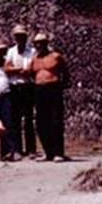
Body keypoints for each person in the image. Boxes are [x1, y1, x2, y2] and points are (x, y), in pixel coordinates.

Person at [30, 32, 68, 162]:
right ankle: (48, 152)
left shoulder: (56, 56)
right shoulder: (35, 59)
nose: (39, 45)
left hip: (54, 88)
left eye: (41, 43)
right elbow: (31, 74)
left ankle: (58, 152)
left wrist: (61, 85)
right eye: (36, 43)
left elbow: (65, 71)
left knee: (56, 120)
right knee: (41, 122)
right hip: (40, 89)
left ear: (46, 43)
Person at [4, 23, 37, 159]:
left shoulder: (32, 51)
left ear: (26, 37)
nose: (20, 38)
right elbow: (7, 69)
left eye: (22, 36)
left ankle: (31, 150)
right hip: (15, 87)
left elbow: (32, 68)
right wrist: (20, 70)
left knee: (29, 118)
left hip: (28, 86)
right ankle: (17, 149)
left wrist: (17, 70)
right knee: (15, 119)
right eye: (17, 36)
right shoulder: (11, 51)